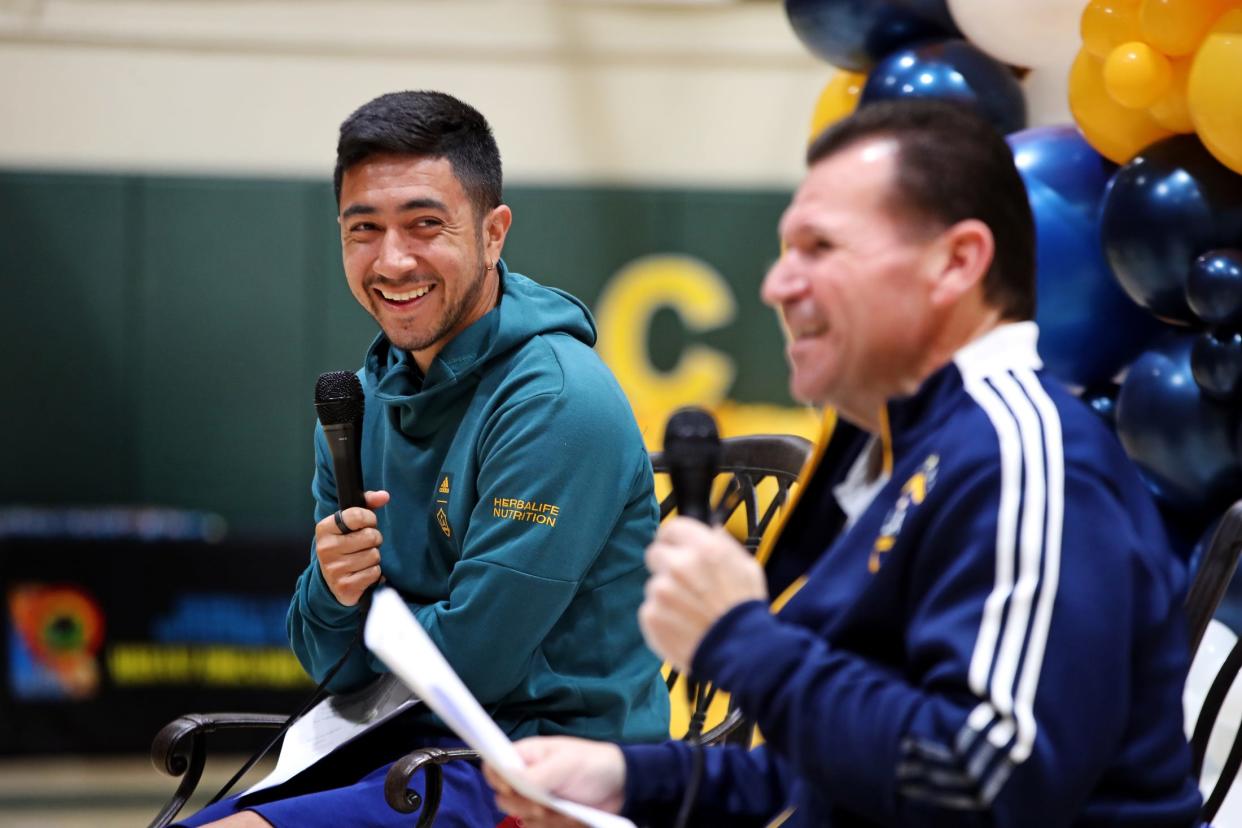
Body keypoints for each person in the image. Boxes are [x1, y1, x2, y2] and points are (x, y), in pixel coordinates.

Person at [485, 99, 1203, 827]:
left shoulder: (1026, 452)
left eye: (820, 248)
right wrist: (632, 779)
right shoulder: (912, 449)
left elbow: (980, 786)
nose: (778, 284)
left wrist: (737, 636)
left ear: (956, 263)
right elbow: (842, 775)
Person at [181, 90, 669, 827]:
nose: (393, 259)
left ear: (494, 232)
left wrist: (377, 623)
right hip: (404, 746)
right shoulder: (358, 402)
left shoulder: (558, 403)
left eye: (425, 224)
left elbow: (474, 669)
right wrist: (334, 594)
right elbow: (329, 665)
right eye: (363, 229)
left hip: (547, 776)